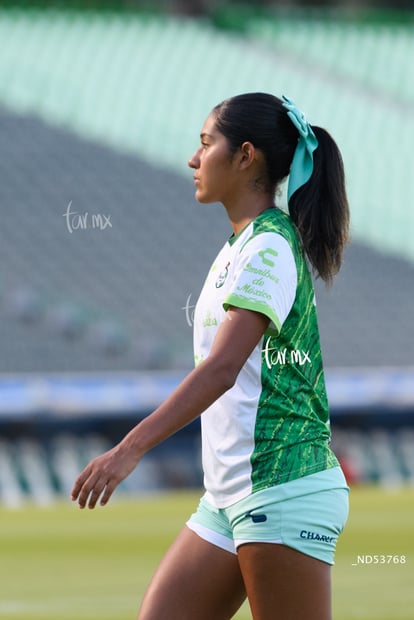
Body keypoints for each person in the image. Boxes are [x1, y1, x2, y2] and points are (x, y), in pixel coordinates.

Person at [71, 92, 350, 620]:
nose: (193, 159)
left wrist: (128, 449)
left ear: (246, 156)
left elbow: (221, 370)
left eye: (206, 144)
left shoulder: (269, 245)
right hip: (228, 498)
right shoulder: (239, 247)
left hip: (280, 487)